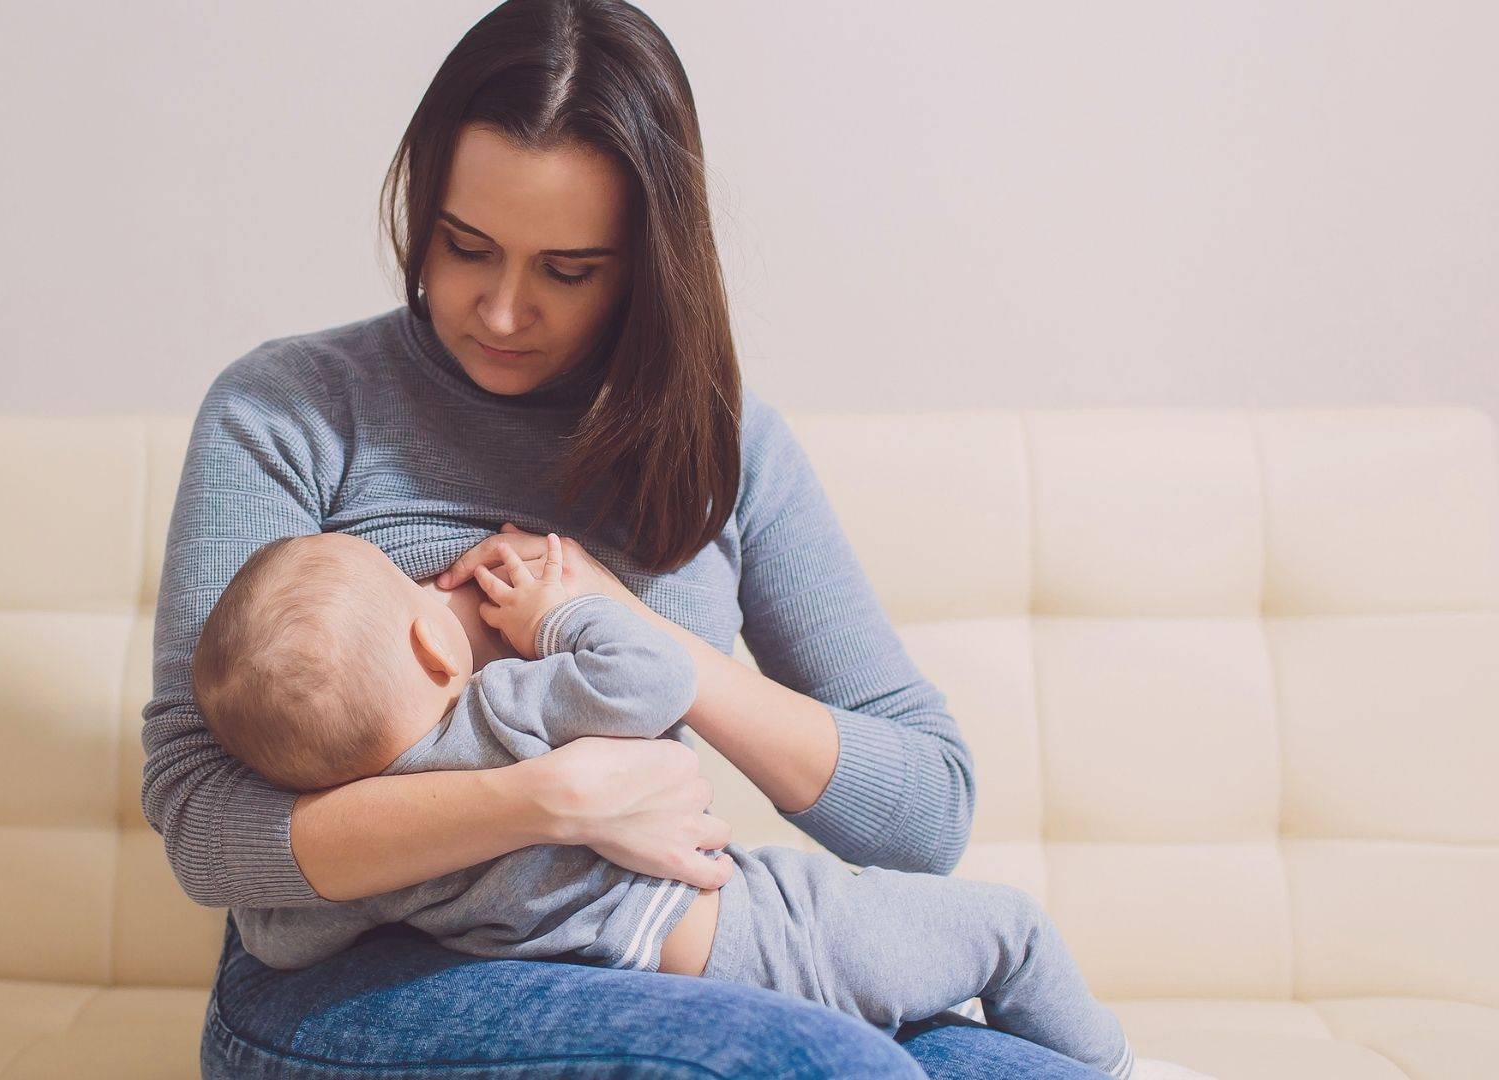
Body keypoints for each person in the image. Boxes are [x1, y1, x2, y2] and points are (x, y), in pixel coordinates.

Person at [143, 1, 1123, 1075]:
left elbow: (924, 813)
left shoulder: (725, 447)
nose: (503, 312)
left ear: (647, 262)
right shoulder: (290, 410)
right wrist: (545, 801)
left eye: (567, 271)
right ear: (422, 205)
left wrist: (623, 627)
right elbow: (204, 821)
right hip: (352, 982)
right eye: (466, 247)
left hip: (651, 948)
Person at [186, 531, 1212, 1080]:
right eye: (416, 590)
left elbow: (277, 932)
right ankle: (1123, 1069)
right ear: (431, 645)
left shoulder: (383, 846)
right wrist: (566, 610)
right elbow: (644, 677)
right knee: (1010, 931)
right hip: (785, 934)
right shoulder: (504, 709)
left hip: (672, 975)